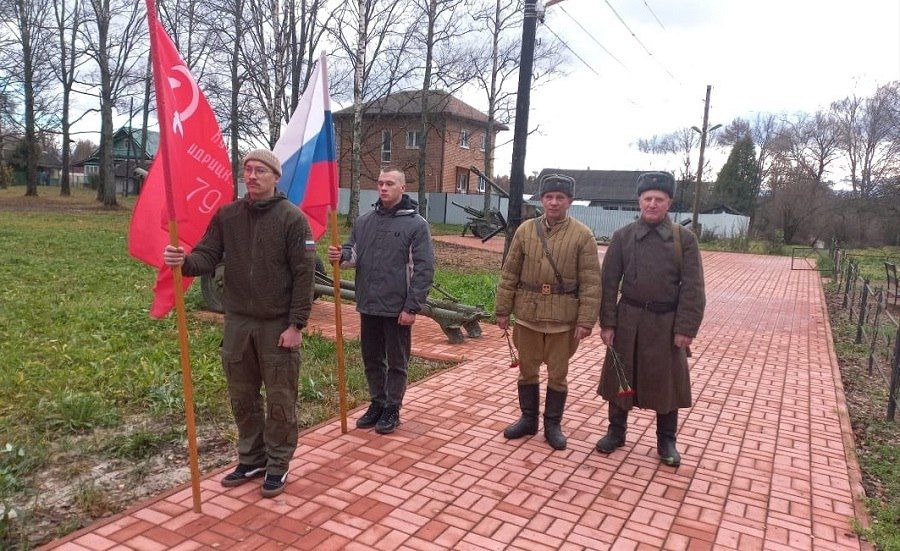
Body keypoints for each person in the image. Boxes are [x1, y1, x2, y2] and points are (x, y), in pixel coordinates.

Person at [163, 149, 316, 497]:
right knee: (242, 397)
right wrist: (183, 261)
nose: (252, 176)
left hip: (277, 325)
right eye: (247, 170)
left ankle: (278, 463)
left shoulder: (292, 219)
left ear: (276, 177)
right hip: (238, 324)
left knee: (280, 399)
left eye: (260, 170)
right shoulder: (228, 215)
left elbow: (304, 275)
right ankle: (251, 457)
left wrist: (296, 325)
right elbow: (207, 255)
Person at [595, 171, 706, 467]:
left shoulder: (685, 240)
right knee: (621, 377)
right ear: (639, 201)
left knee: (667, 383)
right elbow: (607, 284)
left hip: (666, 324)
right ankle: (616, 432)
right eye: (648, 199)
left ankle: (666, 440)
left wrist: (685, 329)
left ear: (668, 202)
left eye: (659, 199)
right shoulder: (622, 237)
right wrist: (607, 323)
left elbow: (693, 287)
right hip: (628, 320)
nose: (653, 204)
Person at [494, 174, 601, 451]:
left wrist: (586, 320)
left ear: (570, 201)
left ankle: (553, 424)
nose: (554, 202)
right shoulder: (525, 231)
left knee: (558, 374)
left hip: (562, 319)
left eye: (560, 198)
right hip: (528, 314)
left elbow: (591, 282)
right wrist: (502, 310)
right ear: (541, 199)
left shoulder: (582, 235)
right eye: (549, 197)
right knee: (527, 371)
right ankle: (528, 419)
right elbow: (510, 273)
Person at [327, 167, 434, 435]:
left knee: (397, 361)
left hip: (397, 308)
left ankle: (392, 408)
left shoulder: (416, 225)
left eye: (389, 183)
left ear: (402, 188)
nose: (383, 188)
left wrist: (412, 307)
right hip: (369, 304)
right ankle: (377, 403)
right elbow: (353, 255)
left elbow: (423, 269)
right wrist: (340, 256)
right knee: (372, 358)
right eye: (380, 183)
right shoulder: (365, 221)